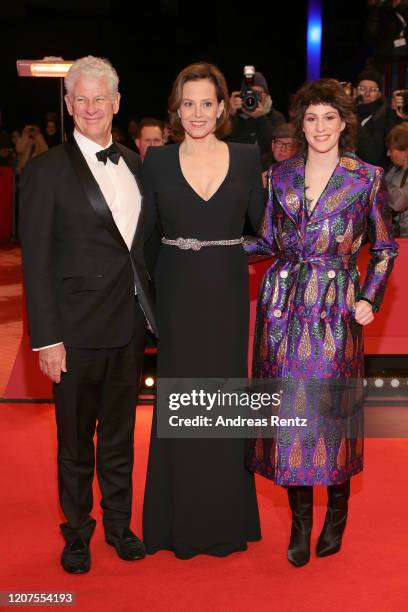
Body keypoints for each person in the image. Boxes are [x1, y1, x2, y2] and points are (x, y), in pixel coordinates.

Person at [245, 78, 398, 567]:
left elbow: (384, 247)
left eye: (329, 117)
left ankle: (336, 514)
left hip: (335, 306)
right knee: (289, 414)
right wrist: (207, 246)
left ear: (344, 122)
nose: (320, 127)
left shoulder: (366, 178)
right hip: (284, 305)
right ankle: (300, 523)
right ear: (300, 124)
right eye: (311, 118)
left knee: (330, 414)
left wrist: (370, 297)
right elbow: (266, 240)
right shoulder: (278, 177)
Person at [19, 55, 156, 574]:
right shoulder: (45, 170)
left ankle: (119, 525)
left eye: (102, 98)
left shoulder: (134, 162)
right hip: (73, 333)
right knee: (74, 443)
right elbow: (36, 260)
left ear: (117, 103)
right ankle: (76, 532)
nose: (92, 107)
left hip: (127, 325)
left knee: (120, 437)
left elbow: (139, 249)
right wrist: (45, 338)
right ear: (69, 104)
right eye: (82, 98)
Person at [142, 62, 264, 559]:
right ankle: (177, 523)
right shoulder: (157, 162)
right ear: (177, 109)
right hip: (176, 294)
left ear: (222, 108)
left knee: (225, 399)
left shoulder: (246, 156)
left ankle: (225, 519)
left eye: (206, 103)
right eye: (187, 103)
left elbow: (269, 230)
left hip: (228, 293)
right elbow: (146, 239)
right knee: (181, 400)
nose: (197, 113)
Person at [228, 70, 285, 155]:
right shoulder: (235, 117)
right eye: (249, 93)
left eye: (257, 93)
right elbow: (224, 143)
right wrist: (230, 115)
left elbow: (277, 149)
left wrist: (261, 118)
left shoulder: (276, 117)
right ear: (241, 95)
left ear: (266, 96)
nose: (252, 98)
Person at [355, 67, 401, 167]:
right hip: (345, 175)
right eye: (362, 89)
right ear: (355, 91)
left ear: (379, 94)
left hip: (373, 177)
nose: (367, 94)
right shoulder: (348, 112)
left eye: (372, 90)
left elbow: (374, 157)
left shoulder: (386, 115)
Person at [385, 122, 408, 234]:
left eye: (392, 149)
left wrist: (377, 182)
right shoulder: (395, 170)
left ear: (405, 151)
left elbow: (399, 202)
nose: (388, 154)